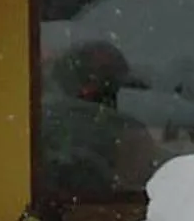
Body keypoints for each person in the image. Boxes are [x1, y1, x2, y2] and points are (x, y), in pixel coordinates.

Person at [39, 39, 159, 203]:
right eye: (92, 77)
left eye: (105, 77)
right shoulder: (131, 130)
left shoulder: (34, 121)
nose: (94, 86)